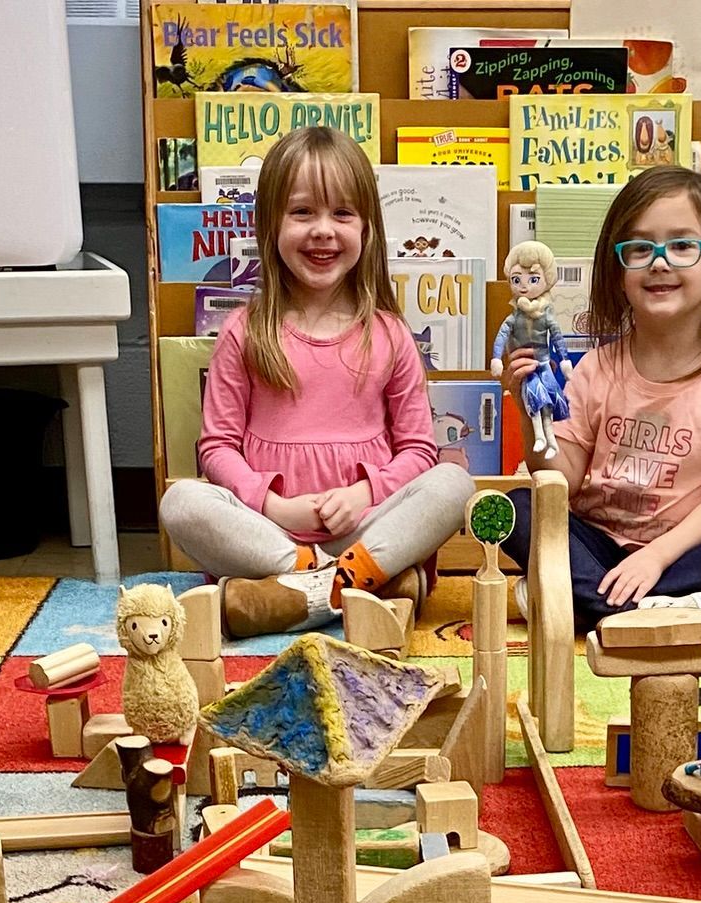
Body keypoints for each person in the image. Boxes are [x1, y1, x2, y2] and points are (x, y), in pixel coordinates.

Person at [161, 126, 474, 636]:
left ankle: (289, 597)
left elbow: (418, 450)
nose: (323, 230)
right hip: (269, 534)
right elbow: (217, 447)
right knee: (181, 502)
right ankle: (355, 587)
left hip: (366, 530)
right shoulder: (244, 330)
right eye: (303, 212)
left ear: (367, 228)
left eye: (342, 213)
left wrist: (364, 496)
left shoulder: (390, 334)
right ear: (270, 226)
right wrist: (274, 505)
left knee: (454, 483)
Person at [500, 166, 701, 627]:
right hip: (594, 541)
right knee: (515, 507)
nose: (659, 261)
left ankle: (582, 603)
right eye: (639, 248)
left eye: (682, 246)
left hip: (680, 553)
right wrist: (526, 408)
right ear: (618, 274)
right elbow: (563, 481)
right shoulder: (594, 369)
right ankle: (655, 612)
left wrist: (654, 558)